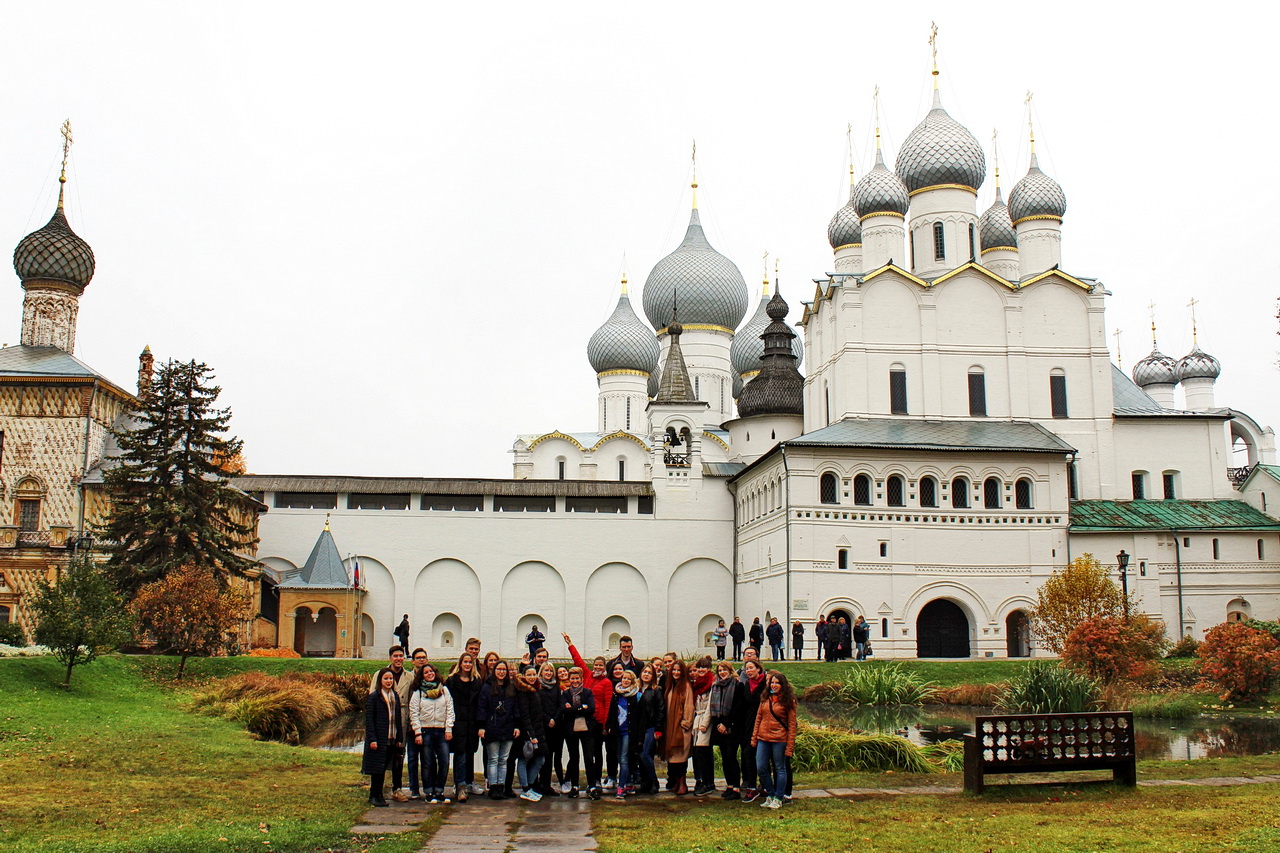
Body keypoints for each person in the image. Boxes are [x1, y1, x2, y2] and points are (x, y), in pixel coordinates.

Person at [564, 633, 612, 798]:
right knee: (577, 756)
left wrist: (605, 724)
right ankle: (576, 785)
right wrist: (570, 644)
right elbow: (578, 661)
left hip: (596, 721)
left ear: (604, 667)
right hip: (582, 723)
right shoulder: (587, 676)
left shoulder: (606, 683)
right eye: (596, 665)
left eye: (600, 665)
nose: (597, 667)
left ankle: (595, 782)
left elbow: (603, 705)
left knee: (594, 754)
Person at [368, 646, 413, 800]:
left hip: (401, 719)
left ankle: (397, 788)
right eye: (395, 656)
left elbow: (412, 699)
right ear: (390, 658)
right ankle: (377, 790)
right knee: (380, 755)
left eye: (401, 656)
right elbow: (372, 699)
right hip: (383, 720)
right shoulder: (379, 675)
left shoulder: (409, 676)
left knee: (399, 755)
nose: (398, 659)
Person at [751, 670, 798, 809]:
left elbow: (792, 725)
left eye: (777, 683)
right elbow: (759, 718)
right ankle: (770, 794)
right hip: (763, 738)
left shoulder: (789, 701)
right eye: (772, 683)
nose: (774, 685)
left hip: (779, 739)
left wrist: (790, 746)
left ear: (783, 685)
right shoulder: (765, 698)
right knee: (761, 767)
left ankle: (779, 797)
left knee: (780, 768)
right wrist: (754, 737)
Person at [410, 662, 454, 804]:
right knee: (427, 762)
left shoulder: (444, 690)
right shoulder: (419, 693)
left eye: (431, 671)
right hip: (426, 730)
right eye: (426, 672)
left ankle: (439, 790)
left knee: (444, 761)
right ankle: (429, 791)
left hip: (441, 730)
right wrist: (417, 732)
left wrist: (448, 728)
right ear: (422, 676)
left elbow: (449, 710)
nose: (430, 674)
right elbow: (414, 712)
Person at [477, 659, 519, 799]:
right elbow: (482, 708)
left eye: (504, 670)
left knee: (504, 759)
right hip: (492, 728)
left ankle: (501, 786)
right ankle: (493, 787)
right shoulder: (487, 687)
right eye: (499, 669)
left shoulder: (511, 687)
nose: (501, 672)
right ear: (494, 671)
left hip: (507, 727)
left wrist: (517, 725)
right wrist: (482, 726)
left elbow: (515, 708)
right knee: (493, 759)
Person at [362, 668, 404, 807]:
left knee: (385, 766)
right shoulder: (375, 696)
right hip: (379, 738)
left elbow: (397, 718)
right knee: (377, 769)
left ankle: (380, 795)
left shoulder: (395, 696)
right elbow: (369, 719)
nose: (388, 681)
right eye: (386, 679)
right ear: (380, 680)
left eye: (391, 679)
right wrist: (372, 739)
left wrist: (399, 738)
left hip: (392, 737)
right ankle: (374, 795)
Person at [445, 651, 482, 802]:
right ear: (460, 664)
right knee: (460, 754)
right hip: (457, 722)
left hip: (471, 723)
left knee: (470, 753)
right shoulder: (452, 681)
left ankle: (468, 782)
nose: (467, 665)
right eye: (465, 662)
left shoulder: (477, 681)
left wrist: (480, 724)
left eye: (469, 662)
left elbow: (480, 704)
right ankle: (460, 786)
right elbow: (447, 703)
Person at [709, 660, 745, 800]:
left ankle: (736, 787)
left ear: (730, 671)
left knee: (731, 756)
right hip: (719, 725)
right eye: (720, 670)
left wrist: (726, 724)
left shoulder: (737, 685)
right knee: (724, 758)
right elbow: (714, 707)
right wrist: (719, 724)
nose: (722, 673)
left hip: (733, 727)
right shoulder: (716, 686)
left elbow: (737, 707)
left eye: (724, 670)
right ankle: (729, 785)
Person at [514, 664, 550, 802]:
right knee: (524, 759)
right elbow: (525, 716)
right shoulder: (523, 692)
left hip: (538, 730)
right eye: (529, 674)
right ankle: (525, 789)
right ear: (524, 676)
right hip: (528, 732)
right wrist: (531, 735)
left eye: (533, 674)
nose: (532, 677)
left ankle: (529, 786)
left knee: (540, 759)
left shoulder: (535, 689)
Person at [559, 666, 595, 798]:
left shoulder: (587, 692)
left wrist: (574, 708)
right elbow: (564, 709)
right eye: (572, 678)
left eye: (577, 678)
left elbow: (591, 709)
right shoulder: (566, 694)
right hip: (570, 730)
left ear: (581, 679)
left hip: (586, 729)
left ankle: (592, 786)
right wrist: (581, 707)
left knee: (588, 758)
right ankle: (575, 785)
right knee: (574, 758)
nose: (575, 681)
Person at [662, 658, 694, 795]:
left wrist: (686, 723)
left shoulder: (685, 686)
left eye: (678, 670)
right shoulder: (670, 685)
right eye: (673, 670)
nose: (675, 672)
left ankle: (683, 784)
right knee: (672, 758)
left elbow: (689, 705)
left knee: (681, 757)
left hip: (681, 728)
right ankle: (675, 782)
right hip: (670, 726)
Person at [737, 659, 767, 802]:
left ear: (758, 669)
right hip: (749, 724)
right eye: (746, 669)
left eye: (751, 668)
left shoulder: (766, 684)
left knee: (763, 755)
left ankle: (765, 785)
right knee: (748, 753)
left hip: (763, 723)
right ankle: (751, 786)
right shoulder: (747, 685)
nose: (748, 671)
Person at [632, 662, 664, 794]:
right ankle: (644, 782)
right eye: (644, 672)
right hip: (637, 727)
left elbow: (661, 710)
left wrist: (658, 729)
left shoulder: (656, 690)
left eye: (649, 673)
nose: (646, 675)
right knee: (640, 755)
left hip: (650, 727)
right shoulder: (635, 689)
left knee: (645, 754)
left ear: (653, 676)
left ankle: (653, 780)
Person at [606, 669, 639, 799]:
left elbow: (638, 717)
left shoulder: (635, 696)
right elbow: (611, 712)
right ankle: (627, 782)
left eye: (628, 679)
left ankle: (621, 786)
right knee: (619, 758)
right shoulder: (616, 695)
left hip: (627, 732)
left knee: (624, 759)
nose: (625, 681)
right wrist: (609, 726)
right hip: (617, 731)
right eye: (623, 678)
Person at [689, 656, 716, 796]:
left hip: (706, 721)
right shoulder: (697, 683)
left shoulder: (712, 683)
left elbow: (710, 705)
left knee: (703, 751)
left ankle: (708, 782)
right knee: (699, 752)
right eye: (699, 667)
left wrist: (704, 724)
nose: (701, 670)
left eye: (704, 667)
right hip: (697, 719)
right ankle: (703, 781)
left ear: (709, 669)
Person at [536, 661, 564, 796]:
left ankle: (546, 784)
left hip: (555, 726)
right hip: (543, 725)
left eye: (550, 671)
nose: (548, 673)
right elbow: (537, 707)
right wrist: (547, 719)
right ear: (541, 672)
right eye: (545, 671)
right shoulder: (538, 687)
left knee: (551, 756)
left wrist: (555, 719)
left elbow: (560, 705)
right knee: (541, 756)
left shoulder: (556, 687)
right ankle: (538, 783)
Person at [404, 648, 429, 798]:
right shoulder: (408, 678)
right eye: (418, 658)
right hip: (411, 724)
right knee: (412, 757)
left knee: (427, 758)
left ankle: (427, 787)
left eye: (424, 657)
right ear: (413, 661)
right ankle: (414, 788)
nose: (421, 660)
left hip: (428, 725)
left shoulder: (432, 677)